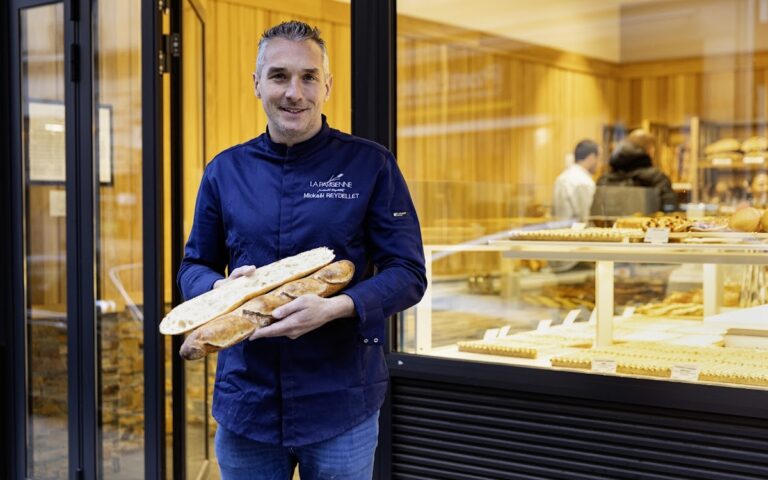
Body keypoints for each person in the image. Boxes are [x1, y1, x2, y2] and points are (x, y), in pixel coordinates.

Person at [177, 20, 427, 480]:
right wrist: (218, 289)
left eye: (308, 77)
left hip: (340, 401)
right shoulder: (224, 170)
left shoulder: (370, 164)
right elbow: (195, 264)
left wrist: (337, 307)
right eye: (279, 76)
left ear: (326, 85)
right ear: (257, 84)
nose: (294, 92)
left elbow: (408, 272)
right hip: (247, 402)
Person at [596, 129, 678, 212]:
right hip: (647, 220)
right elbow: (669, 209)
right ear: (650, 150)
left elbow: (597, 209)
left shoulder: (604, 179)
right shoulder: (657, 178)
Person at [551, 139, 600, 223]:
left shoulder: (561, 177)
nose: (599, 163)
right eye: (598, 158)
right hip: (575, 230)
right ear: (591, 158)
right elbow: (585, 216)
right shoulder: (584, 182)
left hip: (558, 229)